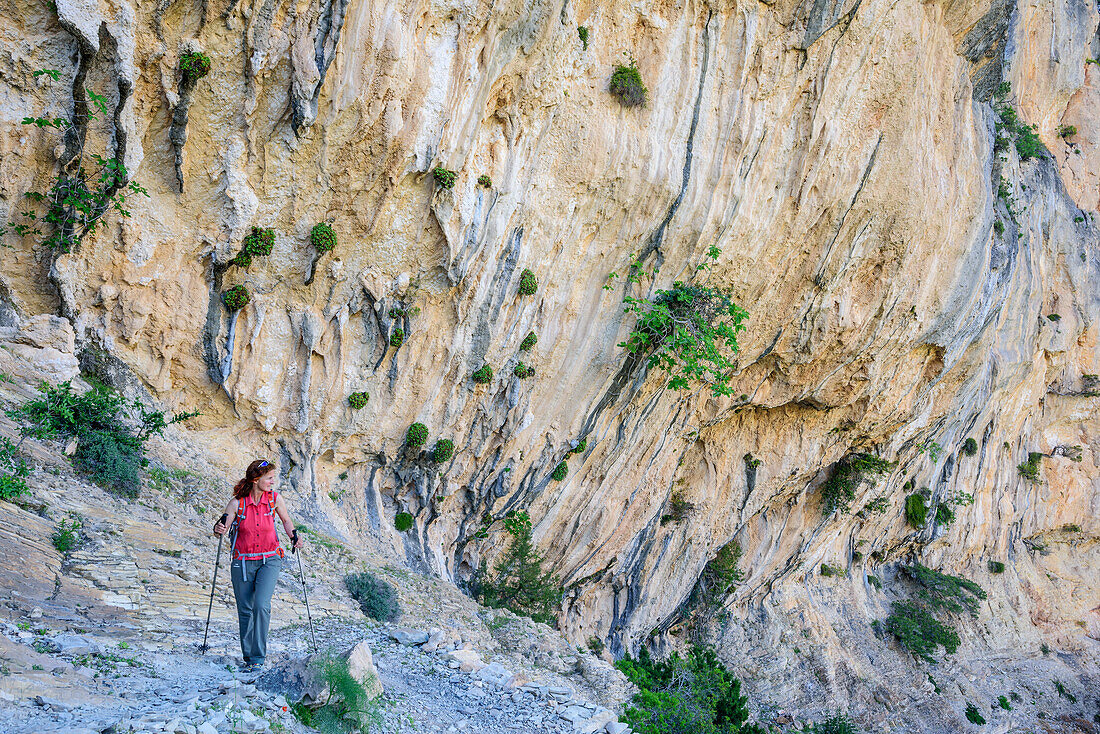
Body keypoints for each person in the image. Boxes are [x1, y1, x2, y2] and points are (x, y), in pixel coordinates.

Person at [212, 459, 304, 672]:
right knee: (245, 609)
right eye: (269, 477)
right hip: (242, 561)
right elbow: (223, 524)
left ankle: (258, 658)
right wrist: (218, 528)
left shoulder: (274, 499)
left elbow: (286, 521)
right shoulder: (237, 503)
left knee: (261, 605)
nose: (273, 481)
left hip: (270, 559)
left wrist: (293, 536)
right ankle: (248, 656)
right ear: (256, 479)